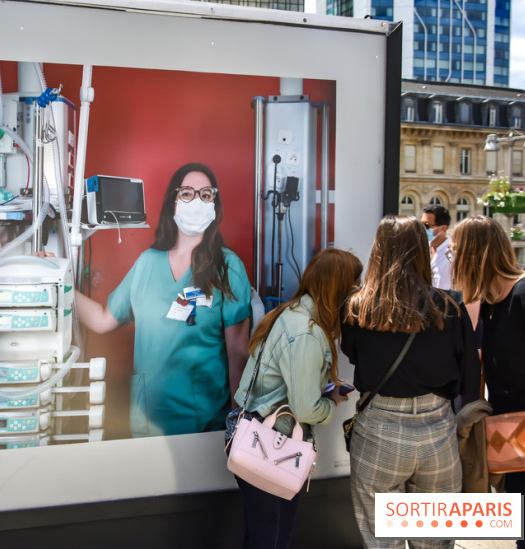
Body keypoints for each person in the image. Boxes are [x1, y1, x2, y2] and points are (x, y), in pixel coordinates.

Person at [75, 163, 252, 437]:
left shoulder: (228, 267)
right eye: (187, 194)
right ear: (174, 201)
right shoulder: (147, 263)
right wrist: (59, 284)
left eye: (205, 195)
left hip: (203, 424)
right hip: (146, 420)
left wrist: (237, 423)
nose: (196, 201)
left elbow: (238, 354)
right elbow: (102, 320)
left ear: (214, 206)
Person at [341, 215, 480, 549]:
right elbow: (468, 374)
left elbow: (353, 353)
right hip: (437, 432)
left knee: (381, 541)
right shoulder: (450, 305)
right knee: (433, 541)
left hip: (379, 432)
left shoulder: (358, 306)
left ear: (379, 251)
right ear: (422, 249)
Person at [225, 248, 361, 549]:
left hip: (254, 435)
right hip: (274, 445)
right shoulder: (307, 334)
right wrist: (334, 402)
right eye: (353, 283)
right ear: (337, 287)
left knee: (261, 531)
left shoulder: (291, 313)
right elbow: (306, 409)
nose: (357, 290)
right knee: (272, 537)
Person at [451, 215, 525, 548]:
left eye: (456, 250)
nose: (452, 258)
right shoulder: (489, 304)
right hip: (511, 433)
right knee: (523, 529)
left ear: (475, 254)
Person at [421, 204, 453, 290]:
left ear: (443, 228)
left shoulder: (452, 252)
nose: (423, 229)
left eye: (427, 225)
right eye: (421, 225)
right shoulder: (422, 248)